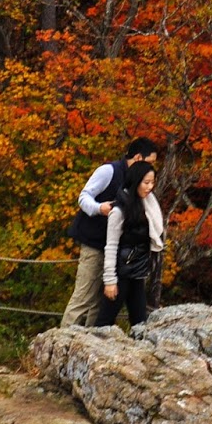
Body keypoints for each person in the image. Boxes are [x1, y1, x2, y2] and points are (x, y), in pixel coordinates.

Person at [60, 136, 159, 327]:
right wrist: (99, 208)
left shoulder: (139, 182)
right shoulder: (109, 171)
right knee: (83, 297)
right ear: (138, 158)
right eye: (150, 162)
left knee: (100, 302)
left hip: (119, 250)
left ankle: (90, 339)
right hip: (95, 243)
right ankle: (62, 338)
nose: (151, 167)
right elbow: (84, 196)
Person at [97, 159, 164, 329]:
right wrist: (110, 280)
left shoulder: (147, 205)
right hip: (121, 273)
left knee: (140, 323)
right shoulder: (119, 211)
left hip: (138, 272)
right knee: (104, 321)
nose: (150, 187)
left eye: (152, 182)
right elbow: (111, 246)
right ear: (136, 181)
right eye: (146, 183)